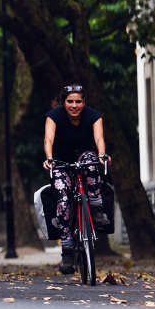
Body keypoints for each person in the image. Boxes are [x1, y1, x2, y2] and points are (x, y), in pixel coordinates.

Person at [43, 84, 112, 275]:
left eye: (78, 101)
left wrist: (101, 154)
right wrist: (49, 158)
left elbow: (99, 139)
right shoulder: (54, 116)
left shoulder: (93, 115)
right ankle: (66, 251)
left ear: (84, 102)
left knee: (91, 163)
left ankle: (97, 210)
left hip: (84, 156)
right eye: (70, 101)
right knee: (63, 201)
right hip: (60, 161)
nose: (74, 106)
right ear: (64, 102)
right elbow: (48, 140)